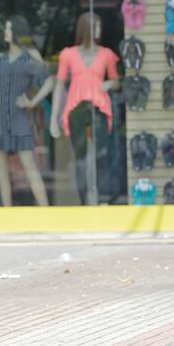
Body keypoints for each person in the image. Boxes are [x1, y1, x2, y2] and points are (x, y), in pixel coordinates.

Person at [0, 16, 53, 206]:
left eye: (9, 29)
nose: (5, 32)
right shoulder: (0, 58)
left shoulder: (29, 56)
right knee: (2, 169)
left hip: (19, 116)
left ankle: (45, 210)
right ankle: (7, 211)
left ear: (17, 32)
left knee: (29, 166)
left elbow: (48, 81)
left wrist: (32, 101)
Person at [50, 12, 121, 205]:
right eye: (95, 27)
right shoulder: (68, 54)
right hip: (77, 109)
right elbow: (59, 85)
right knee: (80, 158)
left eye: (99, 27)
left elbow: (116, 82)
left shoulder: (106, 54)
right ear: (86, 29)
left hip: (99, 108)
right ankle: (84, 201)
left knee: (101, 155)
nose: (99, 31)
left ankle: (103, 199)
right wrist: (54, 118)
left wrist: (109, 84)